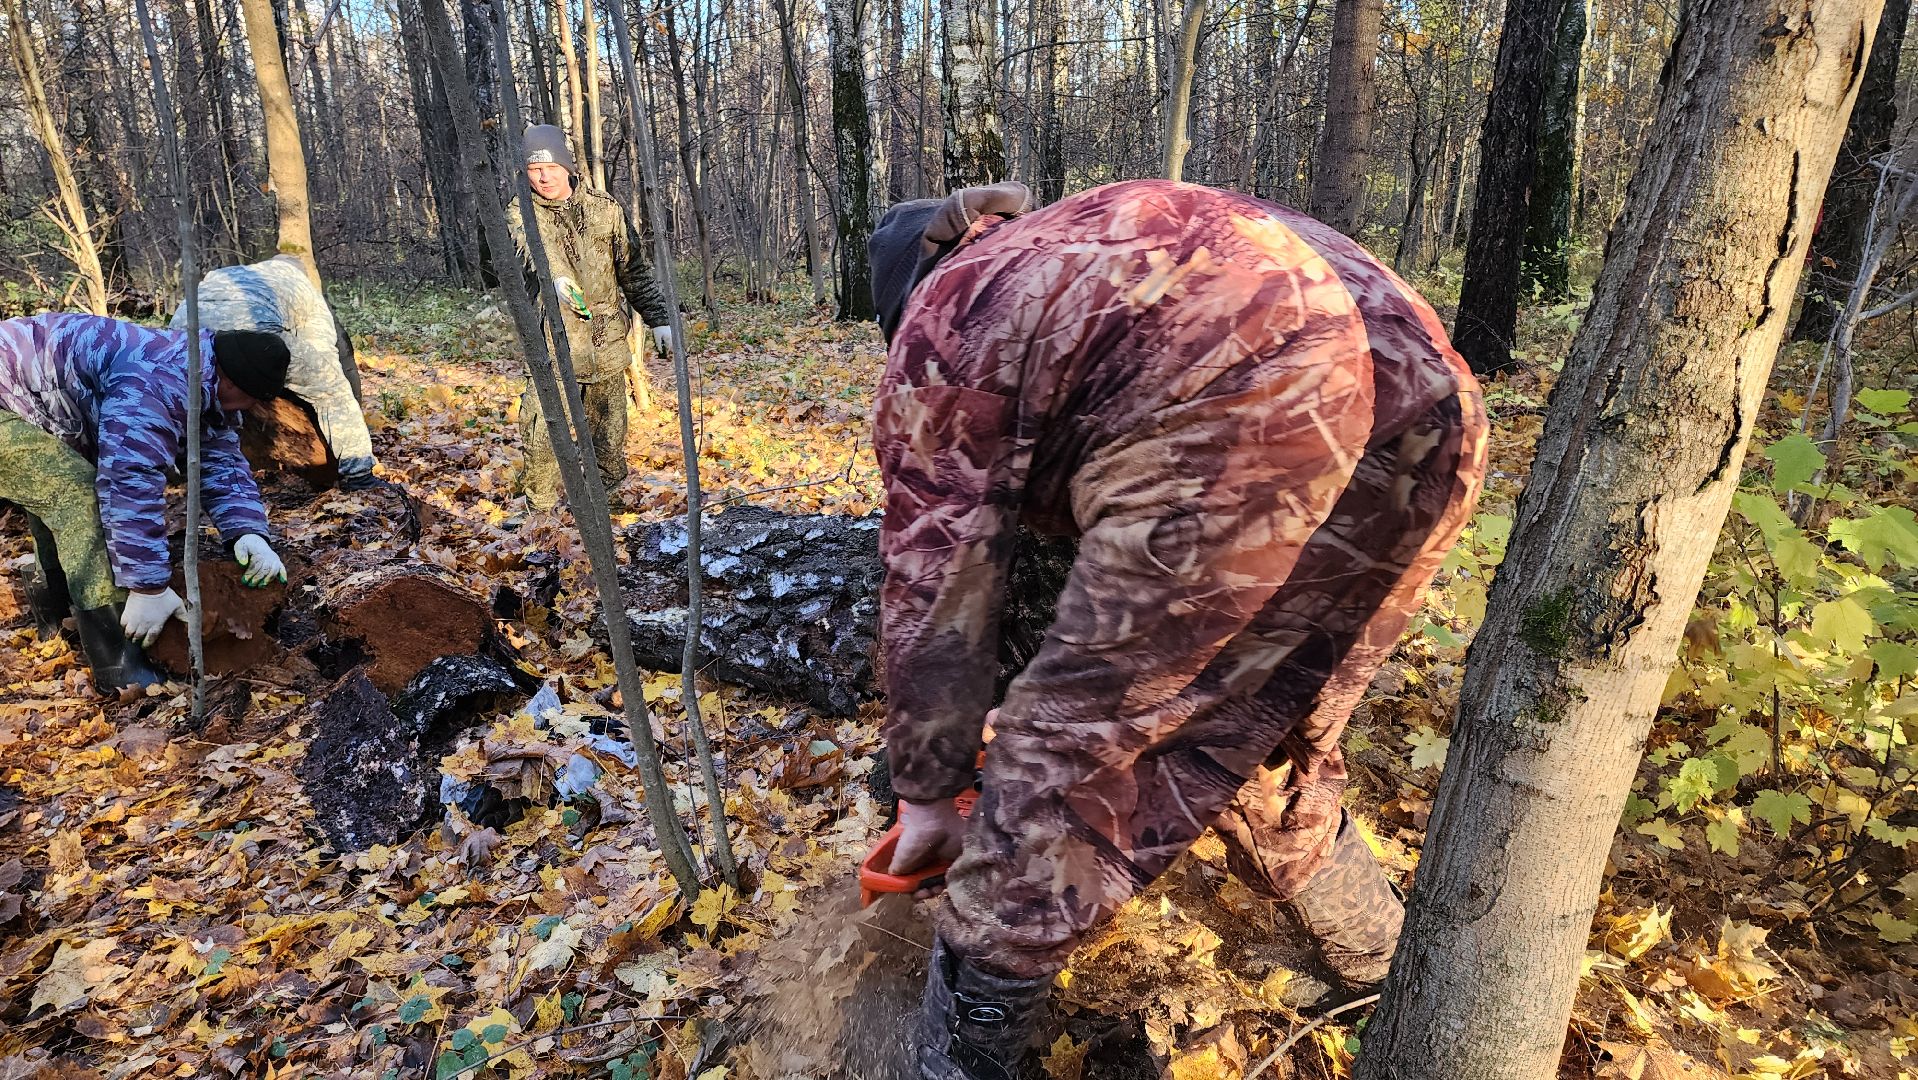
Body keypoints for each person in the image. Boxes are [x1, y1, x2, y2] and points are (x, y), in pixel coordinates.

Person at [867, 179, 1488, 1079]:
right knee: (1259, 733)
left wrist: (925, 793)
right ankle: (1390, 980)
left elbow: (934, 589)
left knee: (1050, 780)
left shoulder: (948, 314)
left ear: (909, 288)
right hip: (1438, 420)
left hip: (1257, 424)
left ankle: (950, 1067)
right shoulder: (1085, 239)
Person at [0, 314, 292, 693]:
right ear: (232, 381)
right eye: (254, 398)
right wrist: (147, 587)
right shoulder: (157, 381)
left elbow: (218, 459)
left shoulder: (202, 378)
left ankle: (55, 610)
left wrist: (248, 531)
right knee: (77, 492)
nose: (252, 408)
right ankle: (118, 662)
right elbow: (128, 477)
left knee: (54, 481)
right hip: (7, 394)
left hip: (30, 396)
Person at [505, 124, 676, 512]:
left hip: (607, 348)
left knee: (609, 441)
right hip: (554, 347)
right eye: (534, 170)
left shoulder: (605, 210)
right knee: (542, 438)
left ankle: (608, 510)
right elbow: (534, 251)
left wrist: (658, 318)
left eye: (550, 167)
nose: (543, 177)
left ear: (567, 166)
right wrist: (559, 281)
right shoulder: (521, 212)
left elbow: (633, 269)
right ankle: (540, 516)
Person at [171, 254, 382, 489]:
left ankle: (176, 464)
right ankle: (359, 474)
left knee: (182, 389)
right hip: (256, 332)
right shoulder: (302, 286)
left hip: (186, 329)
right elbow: (323, 353)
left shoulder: (228, 274)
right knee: (332, 390)